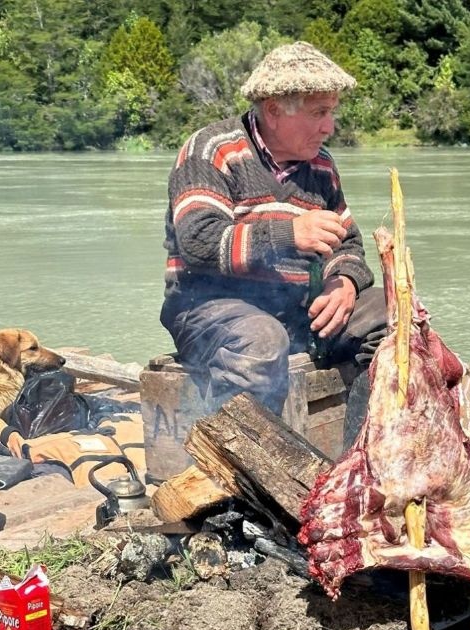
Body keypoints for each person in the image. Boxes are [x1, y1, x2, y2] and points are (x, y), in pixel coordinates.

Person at [160, 42, 390, 415]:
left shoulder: (321, 166)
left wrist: (344, 282)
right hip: (207, 309)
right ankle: (243, 463)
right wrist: (290, 233)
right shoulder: (212, 150)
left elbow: (348, 244)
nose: (329, 127)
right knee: (262, 340)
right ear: (274, 110)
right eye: (320, 112)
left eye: (331, 112)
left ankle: (364, 453)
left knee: (393, 315)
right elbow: (198, 241)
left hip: (298, 310)